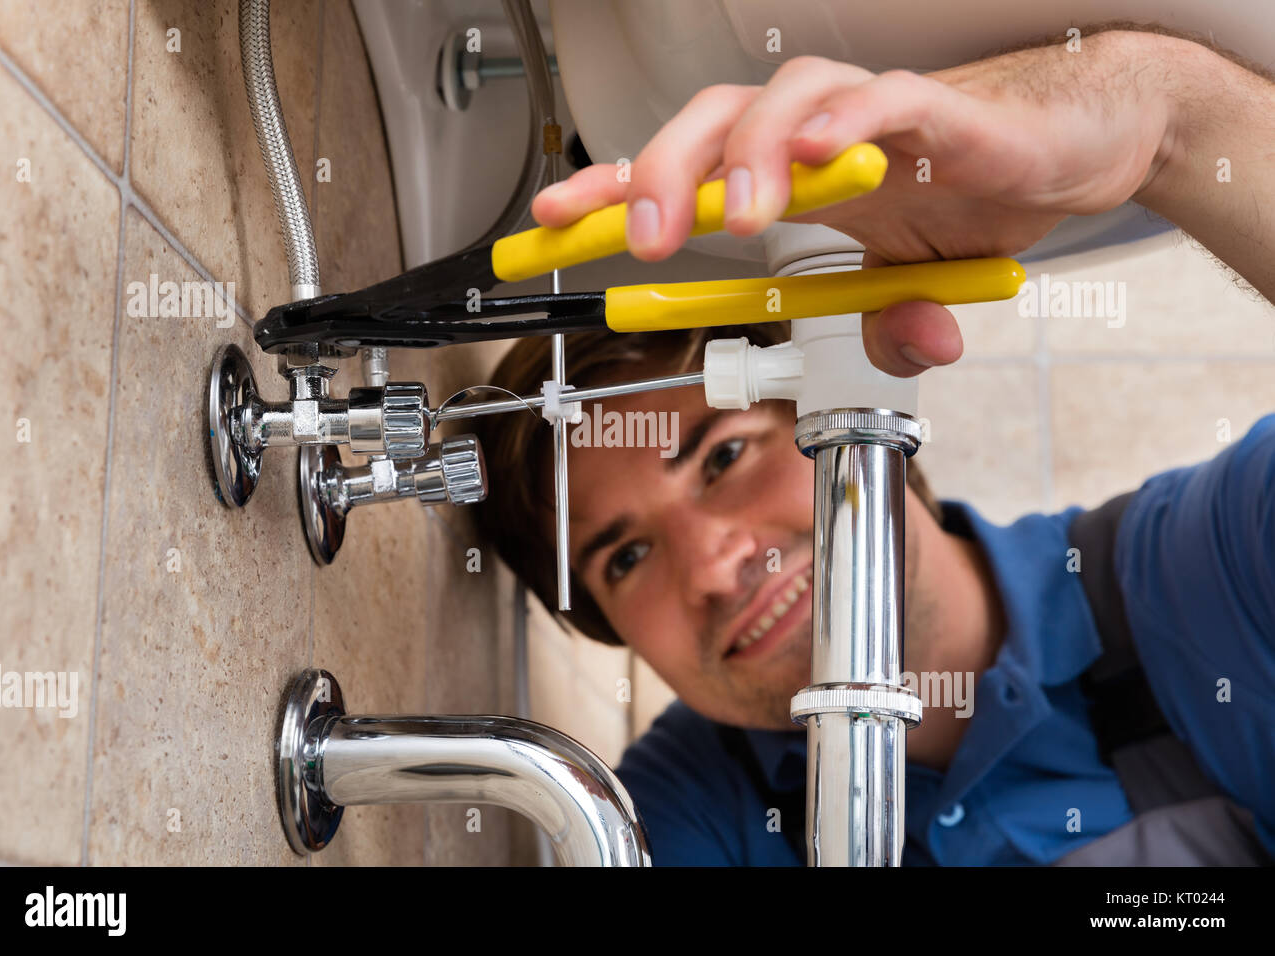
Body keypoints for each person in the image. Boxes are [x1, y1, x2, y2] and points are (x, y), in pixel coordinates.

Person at [473, 24, 1275, 864]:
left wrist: (1174, 125)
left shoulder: (1208, 574)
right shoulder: (684, 818)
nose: (710, 568)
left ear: (846, 395)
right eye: (626, 557)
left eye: (722, 457)